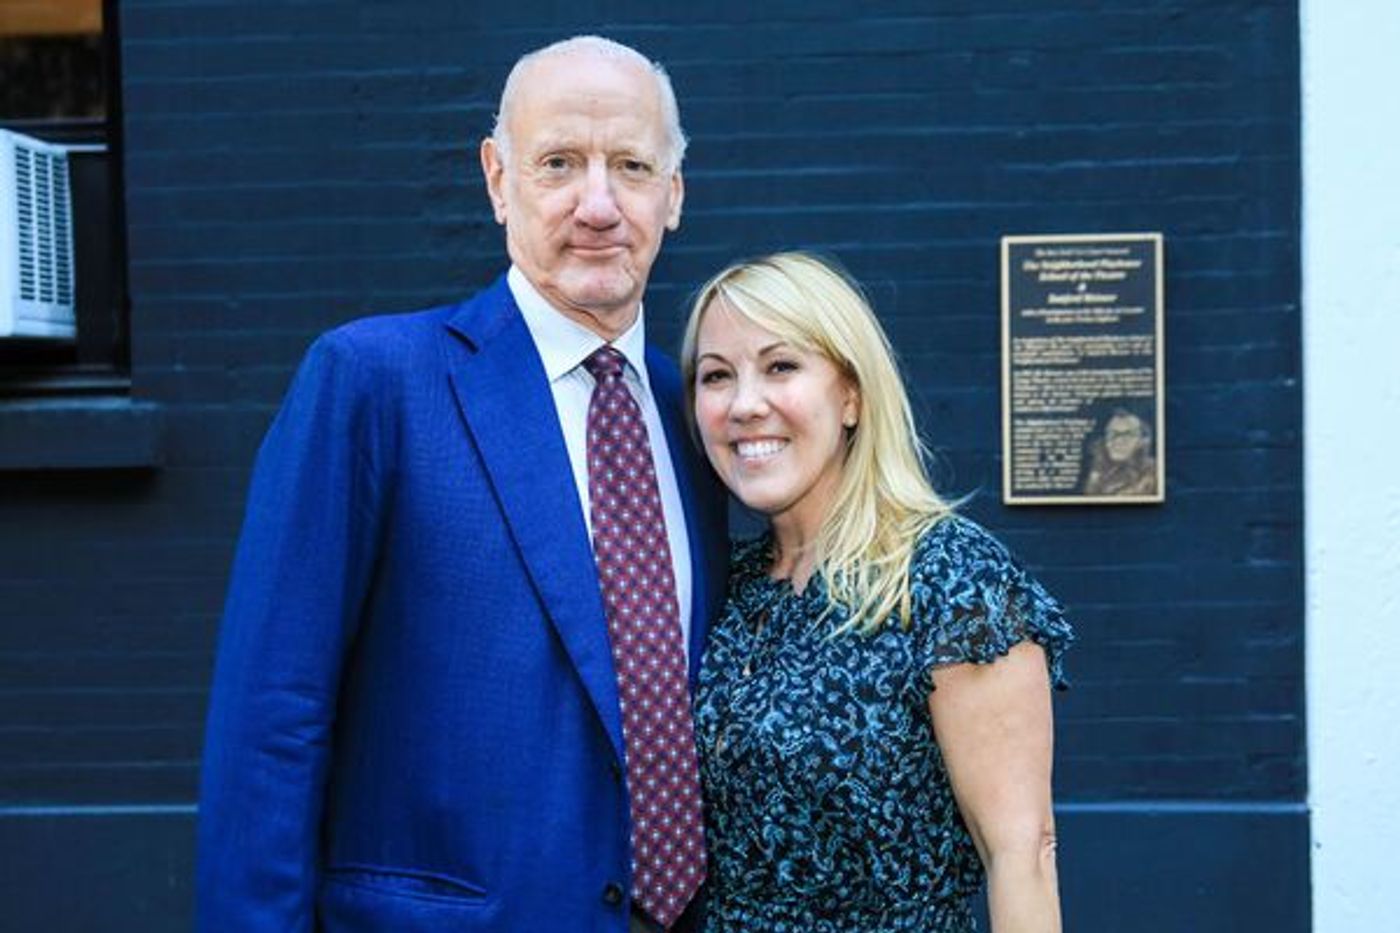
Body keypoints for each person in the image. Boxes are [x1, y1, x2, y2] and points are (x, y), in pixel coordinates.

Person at [196, 36, 728, 932]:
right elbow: (271, 722)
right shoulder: (373, 382)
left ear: (673, 192)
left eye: (631, 166)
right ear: (496, 179)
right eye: (559, 162)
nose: (598, 204)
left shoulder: (695, 410)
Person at [682, 252, 1074, 932]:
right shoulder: (730, 586)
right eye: (717, 375)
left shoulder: (952, 578)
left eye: (780, 366)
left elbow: (1023, 853)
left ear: (852, 395)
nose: (745, 404)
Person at [1081, 407, 1158, 496]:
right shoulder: (1097, 473)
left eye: (1128, 434)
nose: (1118, 440)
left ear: (1142, 441)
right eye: (1112, 434)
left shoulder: (1154, 474)